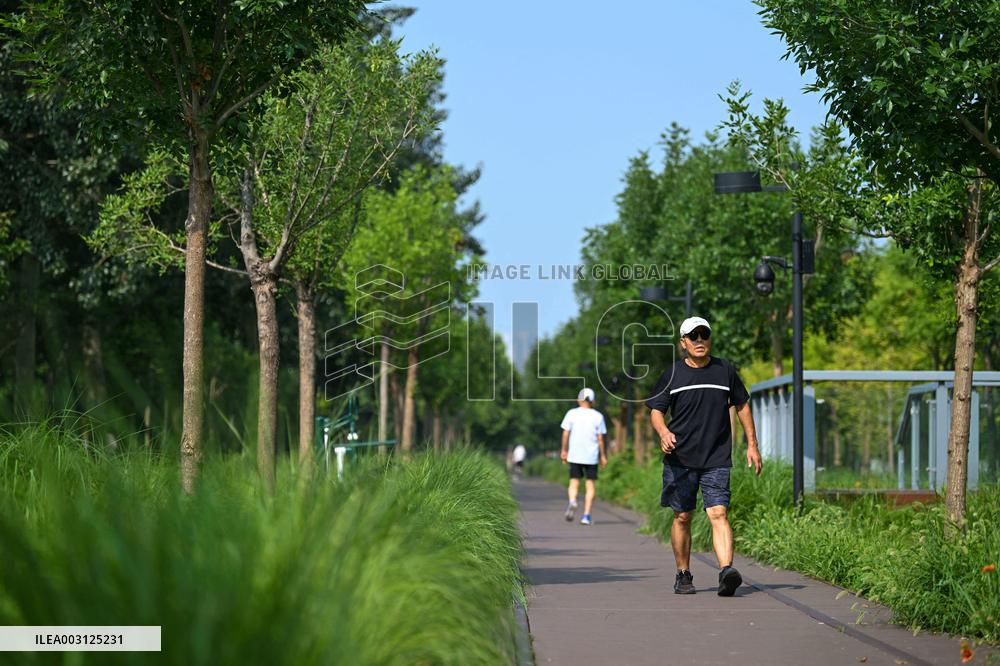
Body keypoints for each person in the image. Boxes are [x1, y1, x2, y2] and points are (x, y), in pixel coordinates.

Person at [645, 316, 762, 596]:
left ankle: (726, 572)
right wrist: (663, 432)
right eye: (693, 336)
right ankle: (683, 574)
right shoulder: (672, 374)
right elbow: (656, 411)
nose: (699, 340)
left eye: (704, 335)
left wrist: (752, 445)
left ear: (710, 338)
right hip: (680, 458)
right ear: (683, 343)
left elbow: (742, 405)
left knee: (718, 512)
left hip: (716, 457)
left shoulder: (725, 371)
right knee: (683, 516)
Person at [560, 387, 608, 525]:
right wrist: (603, 456)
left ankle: (573, 501)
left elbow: (565, 434)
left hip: (575, 455)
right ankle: (586, 516)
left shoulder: (571, 414)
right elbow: (600, 439)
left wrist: (564, 450)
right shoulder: (598, 416)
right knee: (590, 485)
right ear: (592, 401)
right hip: (591, 456)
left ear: (579, 399)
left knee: (574, 482)